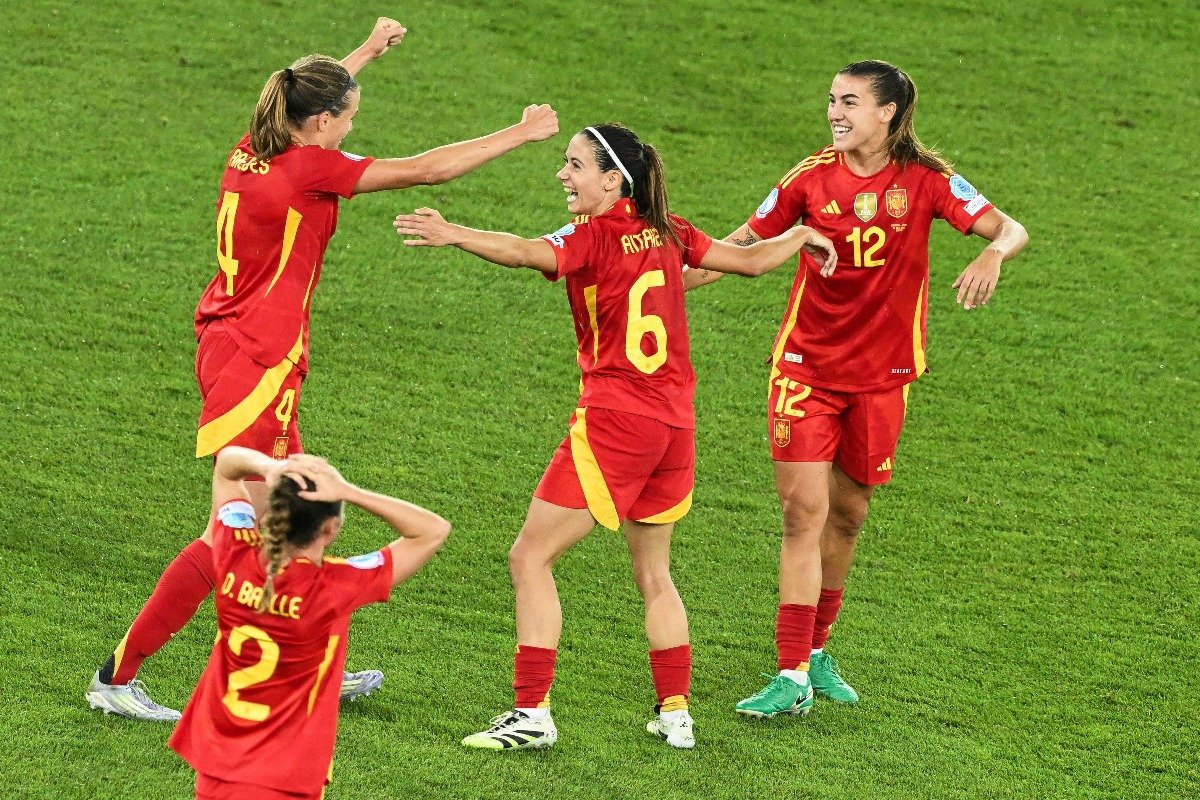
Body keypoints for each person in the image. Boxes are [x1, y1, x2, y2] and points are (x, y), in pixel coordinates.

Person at [86, 16, 558, 721]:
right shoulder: (309, 170)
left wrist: (363, 53)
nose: (347, 133)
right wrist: (520, 133)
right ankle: (116, 678)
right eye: (346, 120)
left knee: (299, 512)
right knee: (229, 539)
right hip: (255, 366)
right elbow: (424, 169)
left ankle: (301, 664)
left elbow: (302, 92)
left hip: (238, 345)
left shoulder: (257, 145)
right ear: (321, 123)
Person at [393, 123, 836, 749]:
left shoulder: (593, 235)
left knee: (529, 557)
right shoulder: (668, 230)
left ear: (611, 179)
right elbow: (753, 262)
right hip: (676, 428)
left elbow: (525, 251)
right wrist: (801, 234)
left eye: (574, 166)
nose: (562, 176)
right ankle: (676, 713)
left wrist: (451, 232)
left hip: (616, 421)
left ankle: (532, 715)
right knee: (655, 572)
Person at [684, 59, 1029, 718]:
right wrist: (665, 281)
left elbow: (1010, 228)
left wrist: (991, 254)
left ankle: (815, 651)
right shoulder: (810, 177)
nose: (835, 113)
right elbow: (741, 244)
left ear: (888, 113)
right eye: (832, 102)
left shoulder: (928, 182)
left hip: (884, 379)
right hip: (805, 372)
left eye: (849, 102)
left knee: (847, 517)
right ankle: (789, 675)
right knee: (801, 515)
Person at [166, 446, 450, 800]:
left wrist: (269, 465)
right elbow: (433, 530)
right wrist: (349, 491)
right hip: (282, 777)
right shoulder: (332, 587)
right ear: (330, 529)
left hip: (215, 766)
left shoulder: (234, 552)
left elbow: (226, 468)